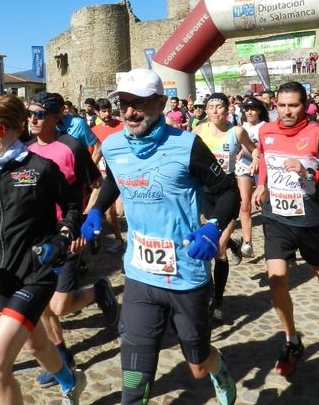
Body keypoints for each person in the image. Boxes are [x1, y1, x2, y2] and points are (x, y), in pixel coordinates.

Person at [84, 68, 239, 405]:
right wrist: (97, 208)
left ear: (160, 103)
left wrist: (213, 227)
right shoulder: (113, 146)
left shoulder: (187, 145)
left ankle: (218, 368)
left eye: (138, 103)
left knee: (198, 366)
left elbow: (228, 191)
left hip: (186, 275)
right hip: (139, 276)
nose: (129, 112)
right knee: (134, 384)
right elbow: (113, 179)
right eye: (124, 104)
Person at [0, 95, 86, 404]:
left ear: (17, 127)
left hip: (35, 274)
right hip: (0, 278)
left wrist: (62, 238)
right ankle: (71, 380)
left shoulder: (40, 168)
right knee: (36, 346)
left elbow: (73, 206)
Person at [251, 81, 319, 377]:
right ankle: (292, 340)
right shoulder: (267, 130)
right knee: (277, 281)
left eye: (293, 105)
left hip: (310, 221)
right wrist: (262, 185)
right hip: (276, 218)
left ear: (305, 105)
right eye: (281, 105)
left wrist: (310, 173)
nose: (287, 111)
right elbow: (265, 158)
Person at [25, 92, 117, 390]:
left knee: (60, 305)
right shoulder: (25, 149)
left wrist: (85, 223)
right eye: (29, 114)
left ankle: (97, 291)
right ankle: (62, 358)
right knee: (43, 304)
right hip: (37, 236)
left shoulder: (72, 147)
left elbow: (97, 185)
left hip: (68, 232)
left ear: (56, 117)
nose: (32, 119)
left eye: (39, 114)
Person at [193, 93, 256, 321]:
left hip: (227, 192)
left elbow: (253, 149)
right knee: (214, 238)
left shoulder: (237, 132)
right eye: (211, 107)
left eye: (219, 106)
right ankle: (234, 243)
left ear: (227, 109)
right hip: (205, 193)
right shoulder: (198, 131)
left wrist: (256, 159)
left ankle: (216, 299)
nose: (215, 111)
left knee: (217, 247)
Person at [88, 98, 125, 252]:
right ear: (97, 112)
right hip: (104, 176)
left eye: (109, 110)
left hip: (123, 173)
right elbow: (93, 154)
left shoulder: (122, 126)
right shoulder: (95, 130)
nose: (107, 113)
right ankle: (117, 239)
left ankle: (132, 238)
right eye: (103, 111)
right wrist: (91, 174)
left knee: (120, 211)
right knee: (107, 211)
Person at [236, 98, 268, 257]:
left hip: (262, 165)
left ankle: (272, 239)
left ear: (259, 111)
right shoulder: (241, 127)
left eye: (253, 109)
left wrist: (258, 159)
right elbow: (241, 145)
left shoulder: (266, 127)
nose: (249, 112)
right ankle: (248, 243)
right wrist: (240, 152)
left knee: (264, 204)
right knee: (245, 205)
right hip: (244, 165)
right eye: (246, 109)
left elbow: (267, 148)